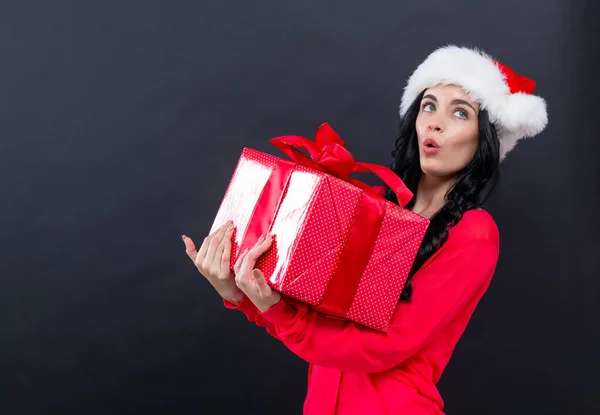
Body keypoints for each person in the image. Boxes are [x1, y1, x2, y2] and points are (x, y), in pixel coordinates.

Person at [182, 45, 548, 414]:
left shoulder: (474, 233)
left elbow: (381, 346)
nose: (435, 122)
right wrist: (239, 292)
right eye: (429, 105)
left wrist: (277, 311)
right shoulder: (372, 205)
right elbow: (310, 323)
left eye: (459, 113)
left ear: (484, 139)